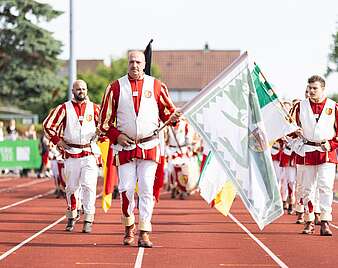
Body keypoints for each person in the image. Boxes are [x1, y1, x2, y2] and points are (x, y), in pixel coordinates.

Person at [98, 50, 179, 248]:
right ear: (128, 63)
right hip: (124, 147)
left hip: (149, 145)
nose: (134, 65)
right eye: (131, 61)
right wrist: (117, 136)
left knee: (145, 188)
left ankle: (145, 231)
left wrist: (174, 118)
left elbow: (168, 112)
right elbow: (103, 122)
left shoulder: (157, 86)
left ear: (144, 64)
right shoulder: (115, 87)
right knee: (125, 189)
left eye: (138, 62)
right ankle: (128, 227)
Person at [43, 79, 101, 233]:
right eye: (78, 89)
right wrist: (58, 141)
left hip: (89, 152)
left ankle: (89, 217)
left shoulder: (95, 108)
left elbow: (106, 125)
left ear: (87, 90)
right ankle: (72, 214)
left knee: (89, 186)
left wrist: (102, 133)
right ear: (73, 91)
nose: (81, 91)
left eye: (83, 89)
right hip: (71, 153)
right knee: (72, 187)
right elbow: (47, 125)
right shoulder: (64, 108)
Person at [293, 75, 338, 236]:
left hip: (326, 152)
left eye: (315, 88)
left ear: (322, 89)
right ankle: (309, 220)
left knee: (325, 186)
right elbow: (290, 127)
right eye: (310, 88)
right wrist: (294, 131)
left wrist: (332, 144)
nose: (311, 91)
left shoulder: (333, 107)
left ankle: (325, 221)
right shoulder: (300, 106)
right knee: (307, 188)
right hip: (307, 151)